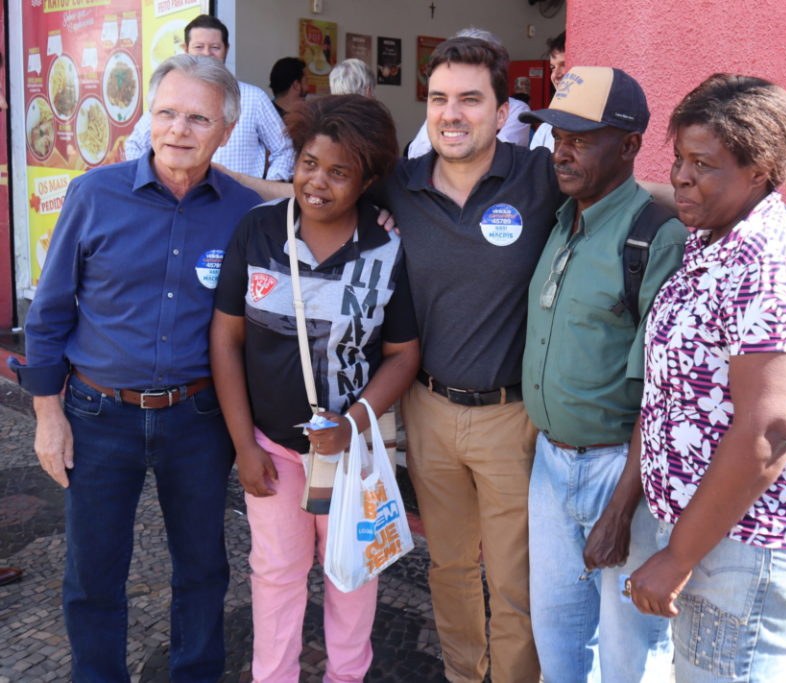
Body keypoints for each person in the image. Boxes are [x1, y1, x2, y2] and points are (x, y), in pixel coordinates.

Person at [8, 54, 262, 681]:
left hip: (197, 418)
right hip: (96, 415)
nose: (178, 130)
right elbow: (48, 313)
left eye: (197, 118)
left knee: (203, 567)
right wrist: (47, 416)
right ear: (149, 117)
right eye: (167, 113)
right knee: (93, 572)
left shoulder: (244, 212)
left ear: (225, 131)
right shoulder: (95, 194)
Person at [628, 73, 786, 681]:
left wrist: (678, 556)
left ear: (760, 171)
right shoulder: (715, 235)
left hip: (754, 542)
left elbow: (770, 429)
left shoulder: (770, 261)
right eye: (678, 158)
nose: (679, 175)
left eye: (702, 163)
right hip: (717, 531)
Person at [369, 36, 564, 683]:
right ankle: (461, 672)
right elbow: (311, 193)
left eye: (470, 100)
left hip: (511, 417)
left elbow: (625, 195)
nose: (452, 113)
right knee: (449, 566)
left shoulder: (539, 178)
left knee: (514, 577)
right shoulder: (400, 185)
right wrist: (211, 175)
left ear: (504, 110)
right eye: (439, 98)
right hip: (427, 409)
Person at [211, 95, 419, 683]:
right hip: (272, 450)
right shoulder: (257, 231)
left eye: (339, 171)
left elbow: (403, 355)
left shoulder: (386, 248)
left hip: (352, 456)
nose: (317, 182)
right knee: (275, 574)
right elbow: (225, 341)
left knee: (352, 573)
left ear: (369, 180)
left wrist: (353, 421)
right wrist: (244, 447)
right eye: (308, 163)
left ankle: (345, 676)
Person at [519, 66, 686, 682]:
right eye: (557, 134)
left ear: (630, 145)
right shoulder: (565, 217)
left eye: (581, 137)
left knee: (629, 651)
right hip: (551, 462)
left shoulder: (653, 238)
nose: (562, 150)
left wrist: (621, 508)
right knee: (557, 634)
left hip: (621, 470)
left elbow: (663, 399)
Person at [125, 14, 294, 181]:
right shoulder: (170, 95)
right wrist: (150, 186)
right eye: (199, 47)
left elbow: (285, 149)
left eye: (215, 47)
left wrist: (268, 188)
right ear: (186, 49)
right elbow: (136, 144)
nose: (206, 53)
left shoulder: (254, 98)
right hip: (179, 202)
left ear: (226, 49)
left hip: (239, 204)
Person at [405, 28, 530, 158]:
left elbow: (498, 157)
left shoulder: (516, 109)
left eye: (470, 100)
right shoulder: (445, 111)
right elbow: (416, 154)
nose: (450, 116)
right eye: (439, 99)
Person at [529, 31, 566, 152]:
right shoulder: (545, 129)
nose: (555, 75)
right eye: (552, 67)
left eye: (563, 65)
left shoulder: (601, 127)